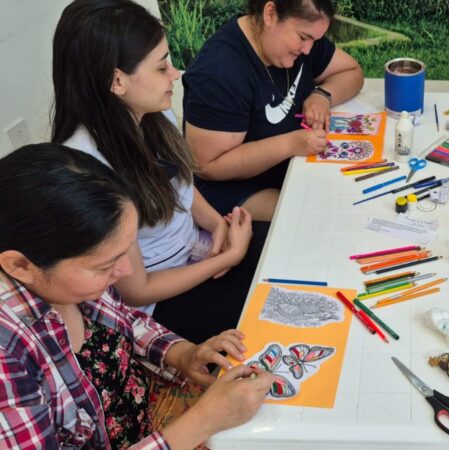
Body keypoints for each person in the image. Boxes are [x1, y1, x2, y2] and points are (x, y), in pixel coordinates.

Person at [0, 144, 274, 449]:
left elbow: (124, 320)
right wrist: (203, 421)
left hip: (149, 420)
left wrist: (182, 355)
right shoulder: (8, 356)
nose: (127, 270)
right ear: (20, 265)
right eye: (106, 264)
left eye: (128, 249)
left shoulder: (72, 281)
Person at [51, 0, 267, 344]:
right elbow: (138, 290)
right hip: (160, 303)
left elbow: (180, 184)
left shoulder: (151, 111)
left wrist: (217, 226)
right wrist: (230, 256)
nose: (175, 74)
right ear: (117, 81)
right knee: (272, 307)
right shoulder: (87, 167)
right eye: (161, 66)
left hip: (198, 251)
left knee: (285, 250)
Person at [182, 0, 365, 221]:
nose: (308, 49)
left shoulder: (301, 42)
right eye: (303, 38)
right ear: (270, 14)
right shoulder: (218, 72)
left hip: (292, 168)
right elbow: (207, 166)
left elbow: (353, 72)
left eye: (314, 40)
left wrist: (323, 95)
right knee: (317, 216)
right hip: (234, 190)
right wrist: (290, 144)